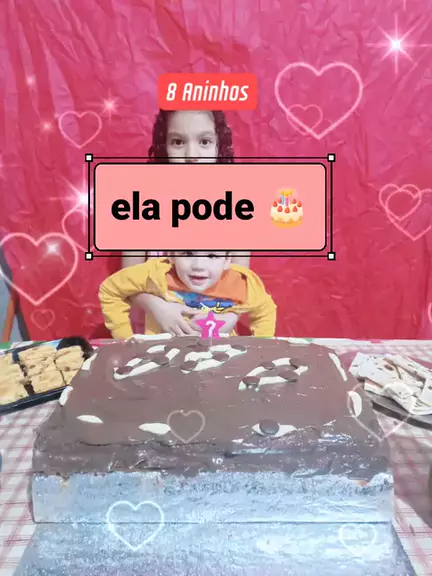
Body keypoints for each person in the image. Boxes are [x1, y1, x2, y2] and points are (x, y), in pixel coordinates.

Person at [122, 109, 250, 336]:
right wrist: (158, 307)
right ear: (164, 146)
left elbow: (242, 283)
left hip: (218, 339)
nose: (192, 154)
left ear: (219, 147)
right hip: (158, 337)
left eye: (204, 142)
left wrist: (229, 318)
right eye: (178, 142)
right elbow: (126, 280)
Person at [100, 252, 275, 339]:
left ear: (227, 260)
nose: (199, 265)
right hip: (160, 359)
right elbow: (112, 289)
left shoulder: (239, 280)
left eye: (212, 256)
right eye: (188, 253)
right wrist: (125, 340)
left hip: (220, 361)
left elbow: (264, 308)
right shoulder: (155, 272)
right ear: (171, 255)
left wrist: (260, 349)